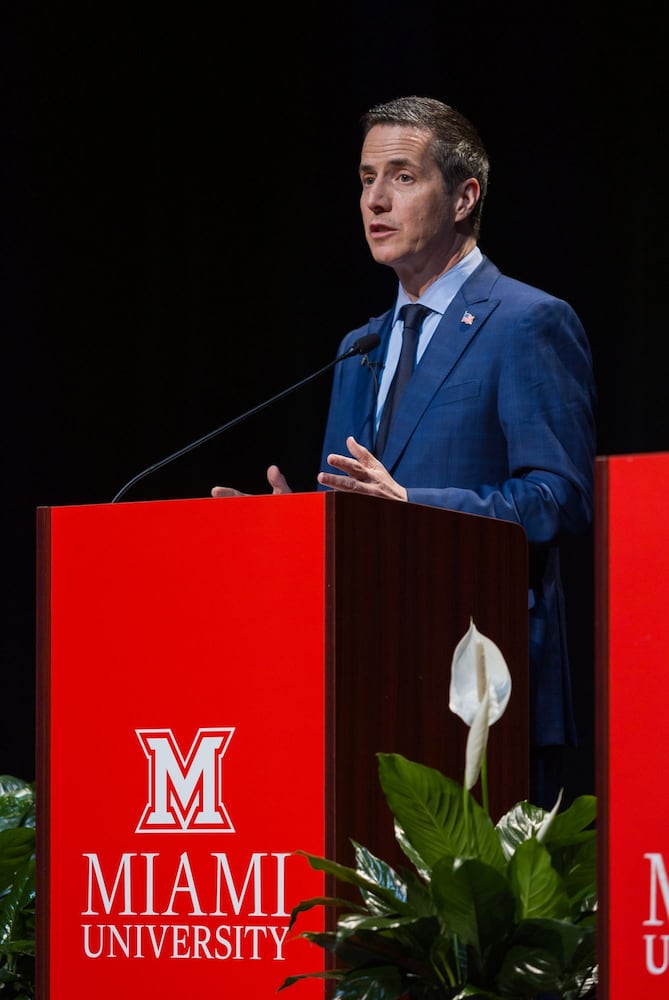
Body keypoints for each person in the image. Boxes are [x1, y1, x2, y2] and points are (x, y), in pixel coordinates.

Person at [212, 95, 597, 809]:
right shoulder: (360, 347)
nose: (375, 200)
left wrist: (410, 506)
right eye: (364, 179)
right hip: (365, 685)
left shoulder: (528, 322)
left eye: (402, 176)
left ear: (463, 196)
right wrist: (294, 528)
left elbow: (560, 499)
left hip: (480, 690)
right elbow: (353, 511)